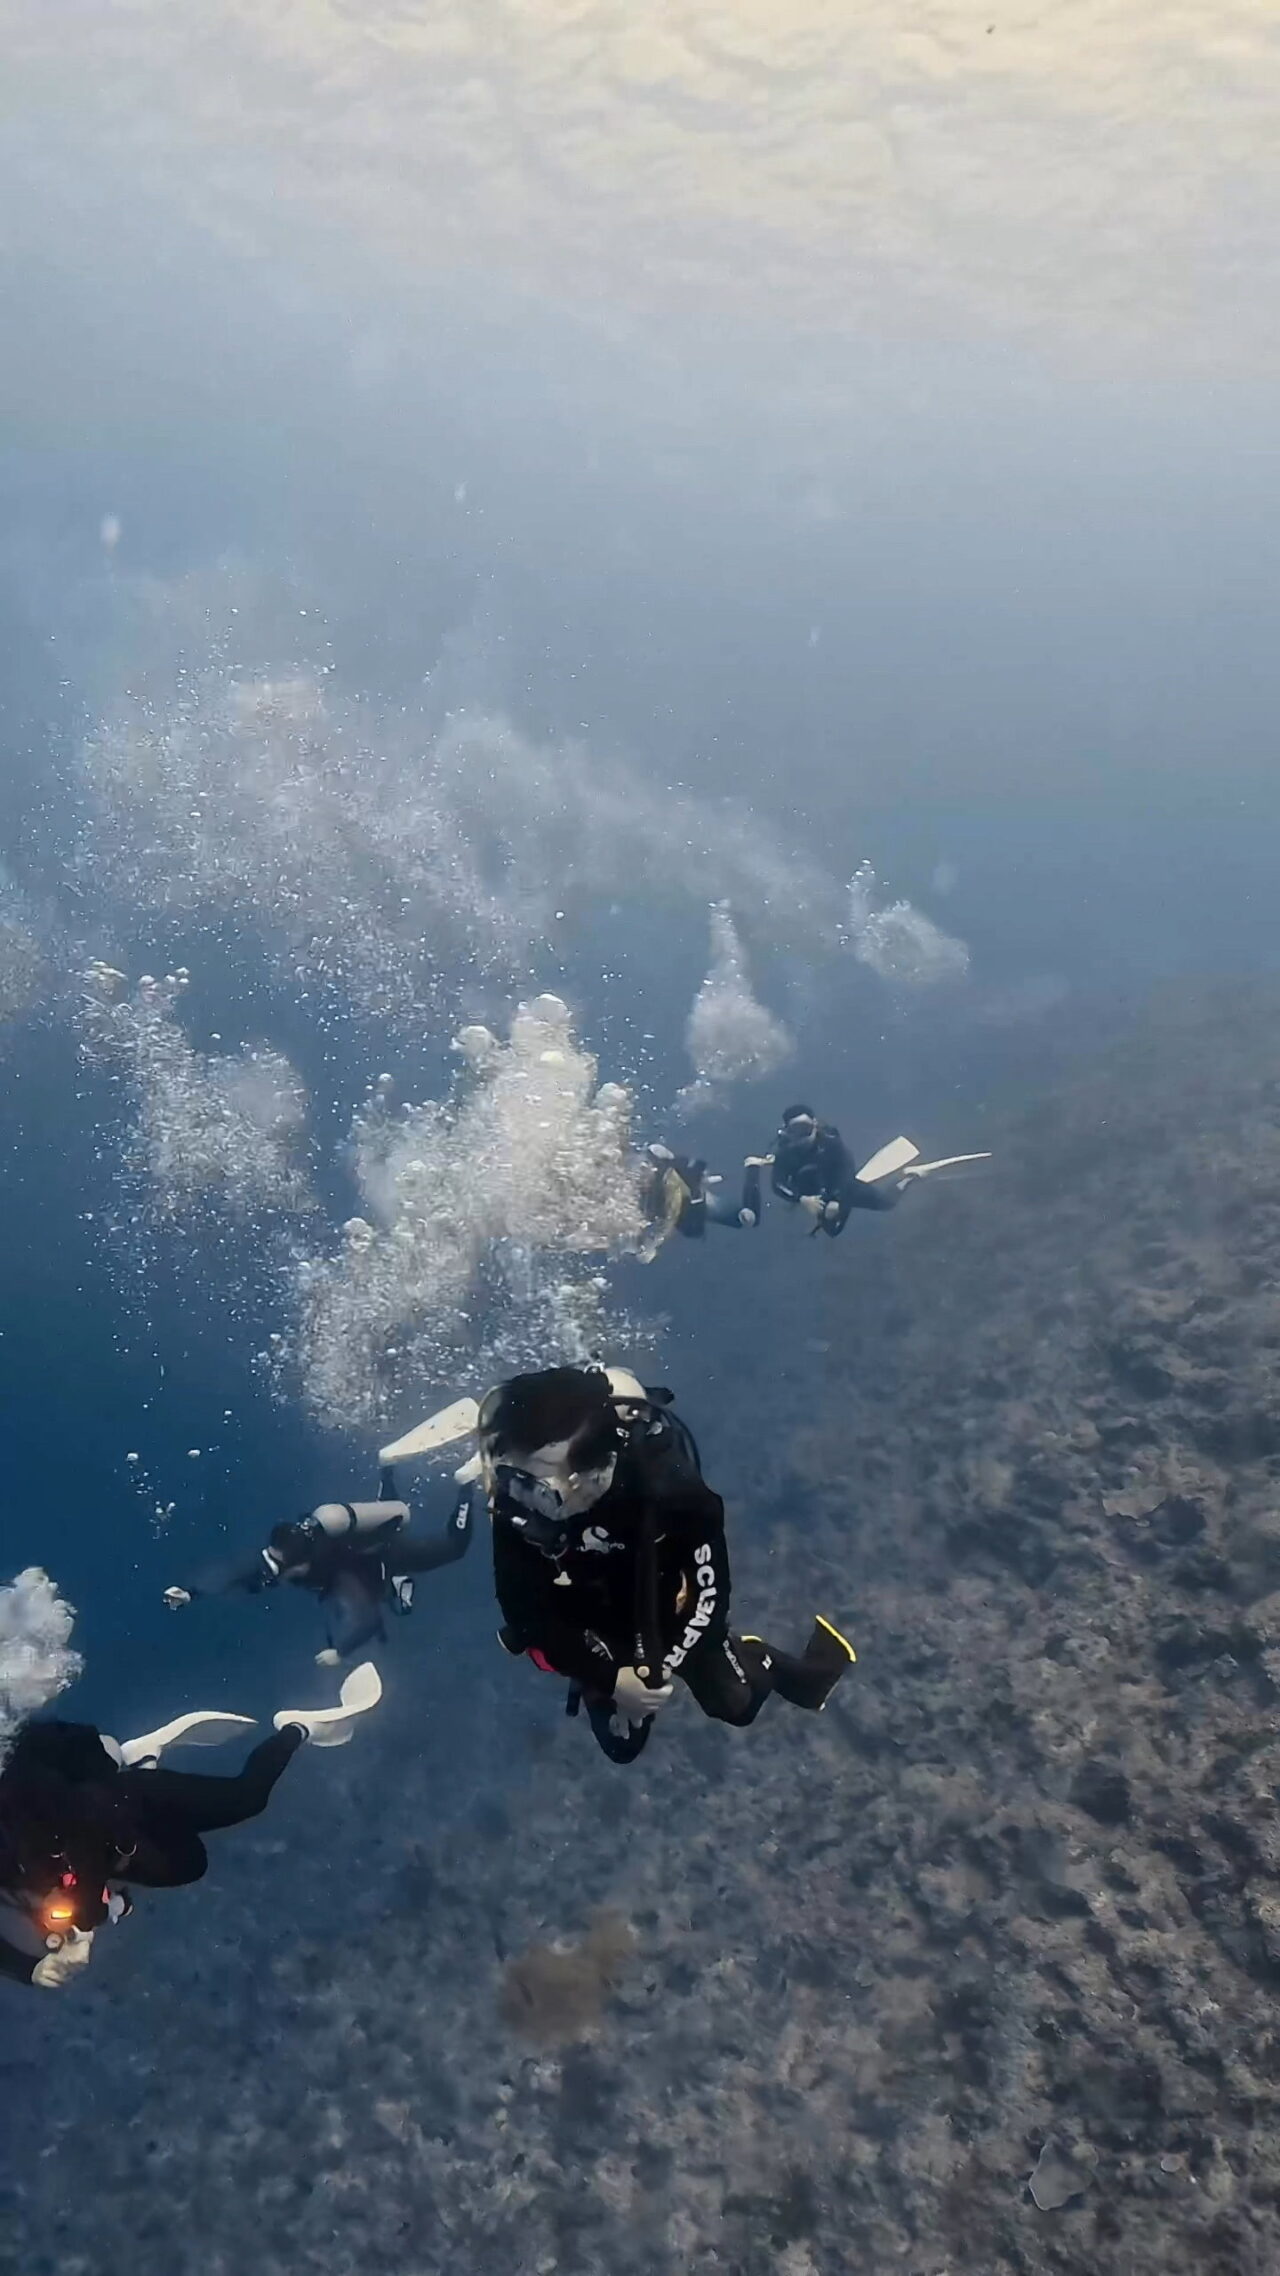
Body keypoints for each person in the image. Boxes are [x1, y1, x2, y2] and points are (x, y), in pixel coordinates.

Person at [481, 1363, 855, 1761]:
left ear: (591, 1477)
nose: (519, 1502)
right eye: (511, 1478)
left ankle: (769, 1661)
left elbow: (710, 1595)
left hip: (664, 1601)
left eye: (536, 1489)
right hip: (585, 1613)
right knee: (621, 1746)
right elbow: (521, 1610)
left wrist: (654, 1668)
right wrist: (610, 1678)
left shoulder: (673, 1496)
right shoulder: (518, 1500)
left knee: (734, 1704)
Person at [163, 1465, 476, 1664]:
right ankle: (387, 1472)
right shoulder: (292, 1554)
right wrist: (192, 1593)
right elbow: (239, 1574)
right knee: (390, 1527)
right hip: (372, 1553)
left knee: (455, 1548)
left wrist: (339, 1653)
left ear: (301, 1565)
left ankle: (465, 1487)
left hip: (387, 1556)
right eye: (271, 1562)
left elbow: (366, 1620)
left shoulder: (341, 1577)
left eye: (279, 1568)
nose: (272, 1572)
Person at [766, 1104, 904, 1238]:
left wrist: (837, 1199)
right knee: (833, 1231)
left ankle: (909, 1177)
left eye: (805, 1128)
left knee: (888, 1203)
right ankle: (824, 1218)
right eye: (796, 1130)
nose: (803, 1136)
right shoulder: (785, 1153)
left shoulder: (830, 1140)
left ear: (815, 1124)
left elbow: (846, 1166)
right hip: (810, 1191)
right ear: (787, 1131)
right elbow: (777, 1183)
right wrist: (802, 1199)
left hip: (839, 1185)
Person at [639, 1145, 763, 1256]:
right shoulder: (671, 1170)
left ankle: (752, 1166)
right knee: (748, 1218)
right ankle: (752, 1166)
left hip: (692, 1207)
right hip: (694, 1207)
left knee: (747, 1218)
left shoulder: (667, 1171)